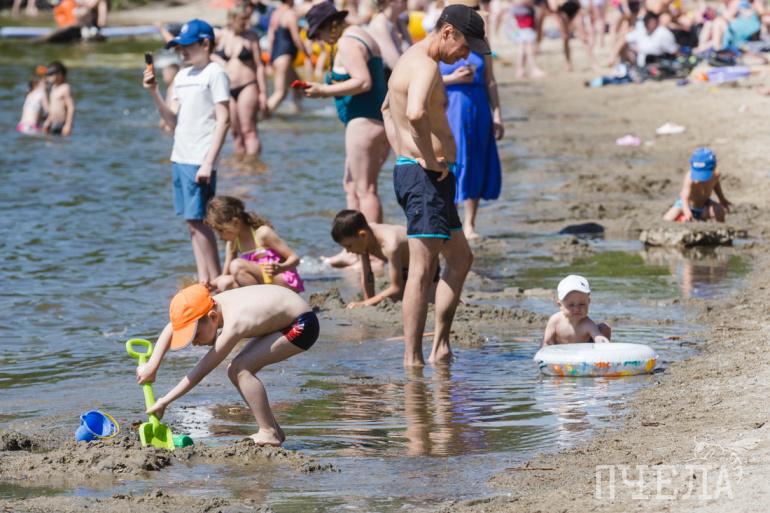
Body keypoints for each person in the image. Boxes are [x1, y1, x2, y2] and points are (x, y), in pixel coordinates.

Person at [381, 4, 484, 367]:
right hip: (425, 177)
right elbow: (414, 113)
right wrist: (424, 156)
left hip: (424, 175)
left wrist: (403, 153)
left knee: (460, 258)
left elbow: (386, 109)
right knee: (422, 271)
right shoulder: (425, 65)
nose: (465, 56)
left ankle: (440, 346)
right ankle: (413, 360)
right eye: (465, 46)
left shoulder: (410, 58)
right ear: (448, 32)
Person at [136, 284, 319, 447]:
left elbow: (201, 370)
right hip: (285, 316)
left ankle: (268, 432)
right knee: (236, 369)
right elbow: (172, 326)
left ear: (213, 317)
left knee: (240, 369)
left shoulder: (234, 324)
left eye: (195, 335)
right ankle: (273, 431)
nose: (194, 342)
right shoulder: (209, 305)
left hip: (302, 324)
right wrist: (152, 365)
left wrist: (165, 401)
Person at [142, 19, 230, 287]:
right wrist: (154, 93)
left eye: (187, 46)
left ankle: (216, 280)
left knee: (200, 221)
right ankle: (204, 279)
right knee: (192, 222)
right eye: (179, 47)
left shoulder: (215, 73)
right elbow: (172, 121)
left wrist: (208, 162)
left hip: (200, 158)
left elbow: (224, 120)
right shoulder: (181, 77)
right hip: (180, 156)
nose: (182, 51)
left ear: (205, 44)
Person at [304, 2, 390, 225]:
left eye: (319, 34)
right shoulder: (361, 34)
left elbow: (363, 82)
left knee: (365, 190)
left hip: (364, 122)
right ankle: (354, 241)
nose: (320, 40)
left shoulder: (347, 42)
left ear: (331, 25)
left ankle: (372, 244)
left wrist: (323, 91)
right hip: (376, 121)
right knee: (352, 186)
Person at [439, 0, 504, 240]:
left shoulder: (481, 43)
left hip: (478, 108)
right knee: (452, 162)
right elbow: (427, 79)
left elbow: (490, 80)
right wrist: (453, 78)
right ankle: (451, 220)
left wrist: (497, 114)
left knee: (476, 161)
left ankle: (470, 223)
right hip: (450, 108)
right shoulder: (441, 41)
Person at [331, 209, 430, 308]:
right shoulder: (364, 238)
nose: (347, 251)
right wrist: (368, 301)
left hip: (426, 268)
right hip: (404, 268)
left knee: (410, 301)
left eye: (349, 246)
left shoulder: (390, 246)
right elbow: (367, 275)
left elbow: (396, 288)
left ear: (363, 235)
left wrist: (364, 304)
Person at [206, 196, 305, 292]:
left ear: (235, 222)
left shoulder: (263, 234)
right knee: (224, 283)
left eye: (221, 230)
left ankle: (259, 299)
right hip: (261, 283)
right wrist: (210, 284)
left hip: (281, 279)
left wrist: (281, 267)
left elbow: (295, 258)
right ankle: (258, 299)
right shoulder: (233, 242)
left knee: (237, 265)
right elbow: (225, 275)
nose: (219, 236)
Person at [213, 5, 269, 156]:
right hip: (227, 89)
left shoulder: (252, 37)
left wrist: (263, 93)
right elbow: (205, 53)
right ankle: (241, 165)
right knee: (235, 132)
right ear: (232, 19)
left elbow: (259, 66)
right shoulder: (220, 35)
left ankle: (253, 164)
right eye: (242, 19)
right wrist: (218, 59)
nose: (246, 22)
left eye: (247, 19)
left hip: (247, 86)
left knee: (248, 130)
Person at [663, 147, 731, 222]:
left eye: (703, 174)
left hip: (704, 205)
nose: (700, 178)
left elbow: (716, 184)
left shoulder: (716, 175)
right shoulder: (690, 177)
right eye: (698, 173)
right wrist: (686, 210)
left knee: (720, 211)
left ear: (714, 167)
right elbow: (684, 195)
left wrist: (722, 199)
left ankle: (719, 227)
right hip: (686, 204)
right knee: (667, 220)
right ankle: (682, 218)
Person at [541, 275, 611, 346]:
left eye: (582, 304)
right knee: (544, 338)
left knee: (604, 327)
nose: (577, 309)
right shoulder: (555, 321)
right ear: (560, 305)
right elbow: (547, 342)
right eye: (571, 305)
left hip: (582, 350)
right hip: (559, 350)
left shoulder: (587, 324)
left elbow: (598, 337)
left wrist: (605, 345)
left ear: (588, 302)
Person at [266, 0, 308, 113]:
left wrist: (270, 60)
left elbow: (271, 37)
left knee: (298, 87)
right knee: (281, 93)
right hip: (285, 58)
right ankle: (261, 116)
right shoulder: (290, 14)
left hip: (277, 56)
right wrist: (307, 54)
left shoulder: (276, 13)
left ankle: (296, 112)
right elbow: (296, 38)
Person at [368, 0, 413, 82]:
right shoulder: (380, 25)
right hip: (390, 83)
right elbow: (395, 65)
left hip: (406, 79)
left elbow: (414, 53)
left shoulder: (399, 21)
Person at [512, 0, 546, 78]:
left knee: (522, 45)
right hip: (524, 17)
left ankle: (520, 70)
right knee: (528, 45)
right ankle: (533, 69)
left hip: (522, 16)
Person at [43, 61, 75, 137]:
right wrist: (48, 121)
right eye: (48, 74)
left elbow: (71, 107)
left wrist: (68, 125)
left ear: (60, 74)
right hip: (52, 123)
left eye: (51, 74)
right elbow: (52, 108)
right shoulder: (53, 88)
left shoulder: (65, 88)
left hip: (61, 123)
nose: (48, 76)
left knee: (59, 143)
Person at [17, 68, 49, 136]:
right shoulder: (42, 93)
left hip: (20, 126)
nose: (47, 85)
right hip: (32, 127)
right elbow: (48, 111)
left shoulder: (29, 94)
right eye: (45, 83)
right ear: (37, 83)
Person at [159, 64, 180, 133]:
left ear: (171, 74)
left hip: (172, 125)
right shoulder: (175, 86)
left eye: (165, 75)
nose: (163, 77)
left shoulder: (172, 88)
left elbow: (170, 108)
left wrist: (163, 122)